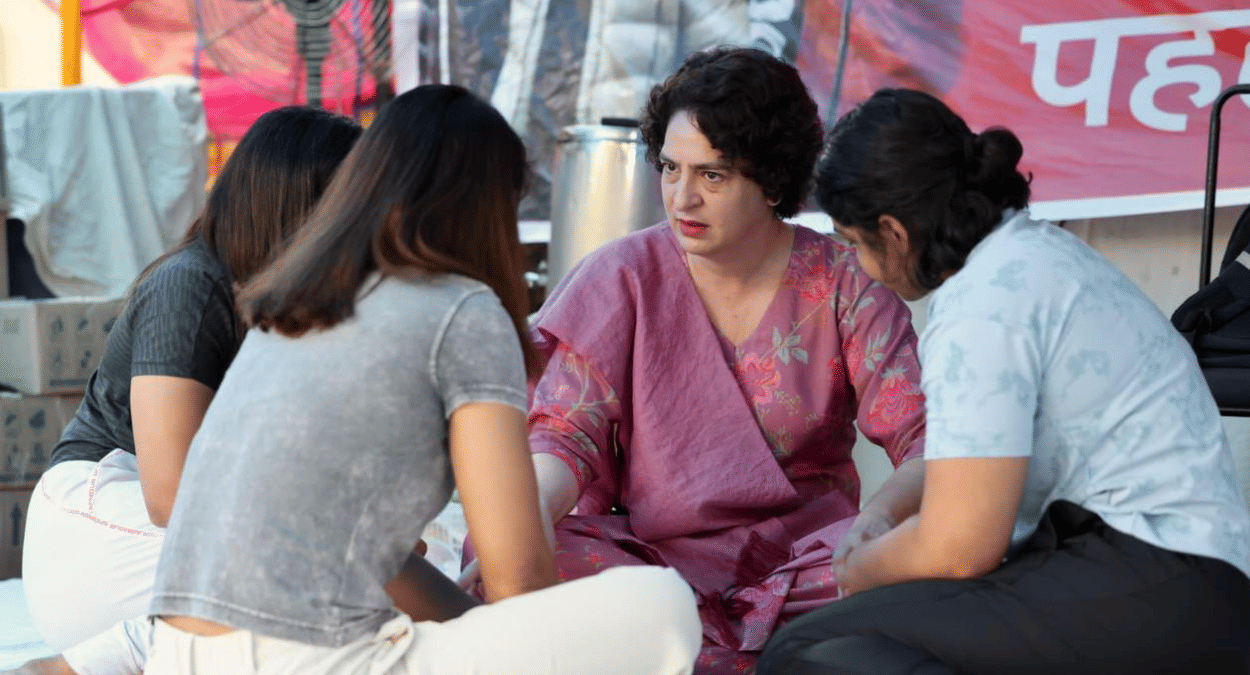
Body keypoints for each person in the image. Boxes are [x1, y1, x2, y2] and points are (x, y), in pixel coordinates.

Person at [141, 84, 701, 675]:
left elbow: (380, 562)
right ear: (491, 206)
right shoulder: (464, 310)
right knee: (663, 603)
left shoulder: (294, 301)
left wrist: (471, 624)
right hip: (306, 659)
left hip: (178, 655)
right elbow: (517, 579)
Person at [756, 88, 1250, 675]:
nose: (861, 266)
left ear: (893, 232)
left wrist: (859, 569)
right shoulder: (1029, 258)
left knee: (810, 653)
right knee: (844, 633)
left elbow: (960, 547)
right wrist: (876, 521)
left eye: (855, 244)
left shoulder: (986, 303)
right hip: (1177, 579)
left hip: (1159, 579)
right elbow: (959, 460)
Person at [501, 47, 928, 675]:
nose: (682, 198)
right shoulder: (620, 275)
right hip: (651, 566)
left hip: (808, 567)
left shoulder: (844, 284)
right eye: (670, 169)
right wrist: (523, 524)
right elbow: (566, 436)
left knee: (917, 567)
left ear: (773, 179)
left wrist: (881, 523)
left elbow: (928, 439)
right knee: (533, 559)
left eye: (714, 175)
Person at [19, 106, 363, 674]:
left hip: (180, 533)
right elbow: (170, 496)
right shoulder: (190, 286)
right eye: (355, 203)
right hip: (99, 516)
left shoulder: (290, 301)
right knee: (332, 580)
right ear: (301, 203)